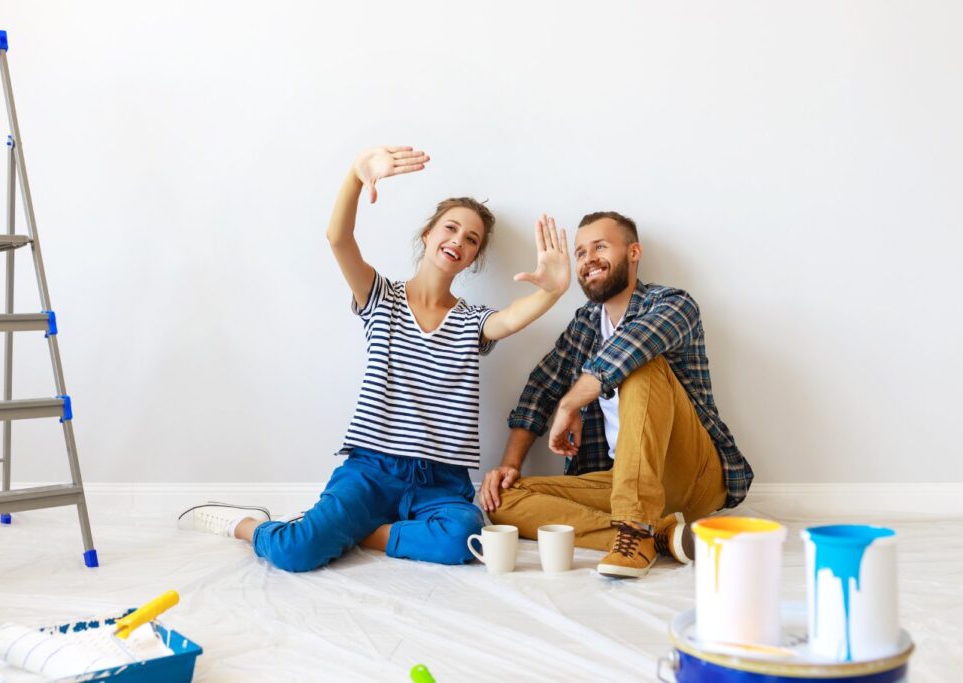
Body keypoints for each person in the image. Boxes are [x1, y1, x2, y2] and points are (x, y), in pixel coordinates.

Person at [178, 145, 571, 571]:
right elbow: (338, 239)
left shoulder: (472, 321)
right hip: (371, 470)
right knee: (295, 552)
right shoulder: (382, 297)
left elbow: (511, 319)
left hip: (441, 481)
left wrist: (552, 290)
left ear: (474, 257)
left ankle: (356, 531)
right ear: (428, 234)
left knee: (465, 538)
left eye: (471, 239)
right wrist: (354, 175)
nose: (458, 240)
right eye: (450, 228)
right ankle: (249, 526)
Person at [479, 211, 753, 578]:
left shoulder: (673, 303)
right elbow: (540, 389)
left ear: (633, 252)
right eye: (580, 252)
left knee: (641, 366)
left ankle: (636, 526)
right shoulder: (585, 324)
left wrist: (572, 401)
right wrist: (509, 465)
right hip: (624, 481)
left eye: (600, 246)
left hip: (693, 475)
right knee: (501, 501)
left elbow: (633, 346)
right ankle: (652, 535)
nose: (588, 258)